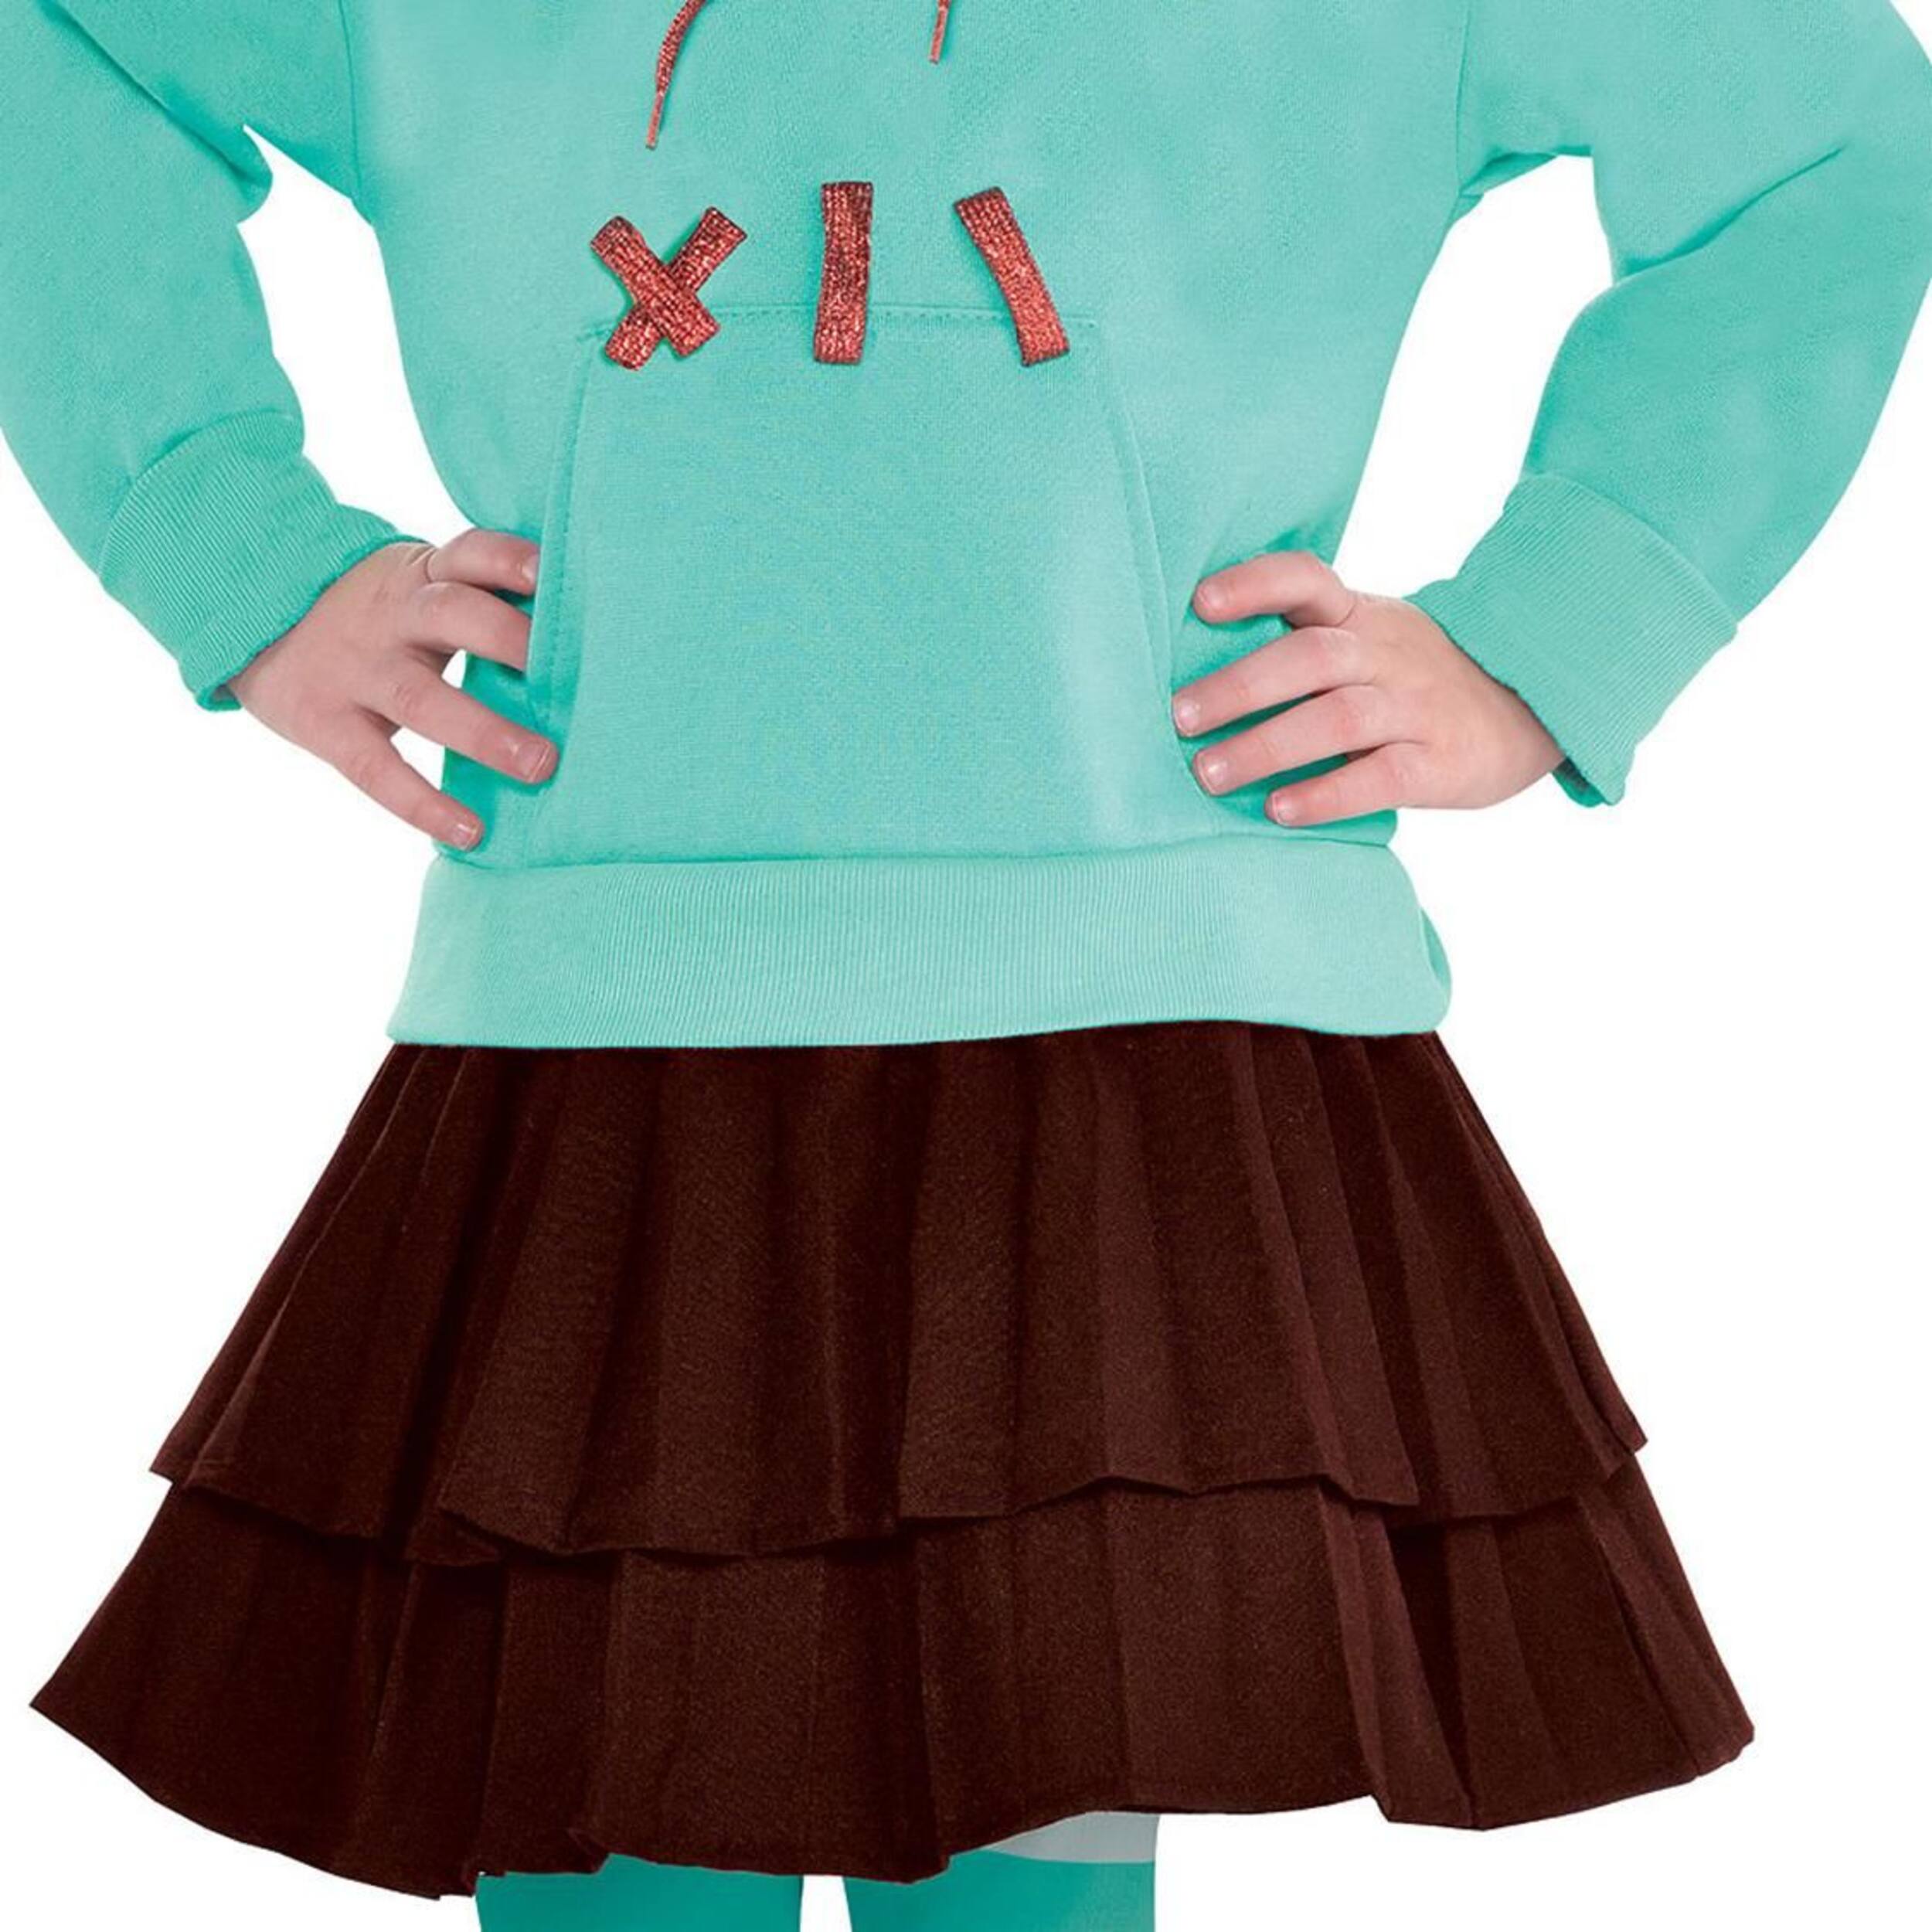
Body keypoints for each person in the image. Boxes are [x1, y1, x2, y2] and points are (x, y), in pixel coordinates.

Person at [5, 2, 1930, 1928]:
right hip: (605, 1042)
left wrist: (1557, 624)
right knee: (617, 1847)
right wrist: (229, 543)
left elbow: (1832, 131)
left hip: (1150, 1056)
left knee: (1031, 1855)